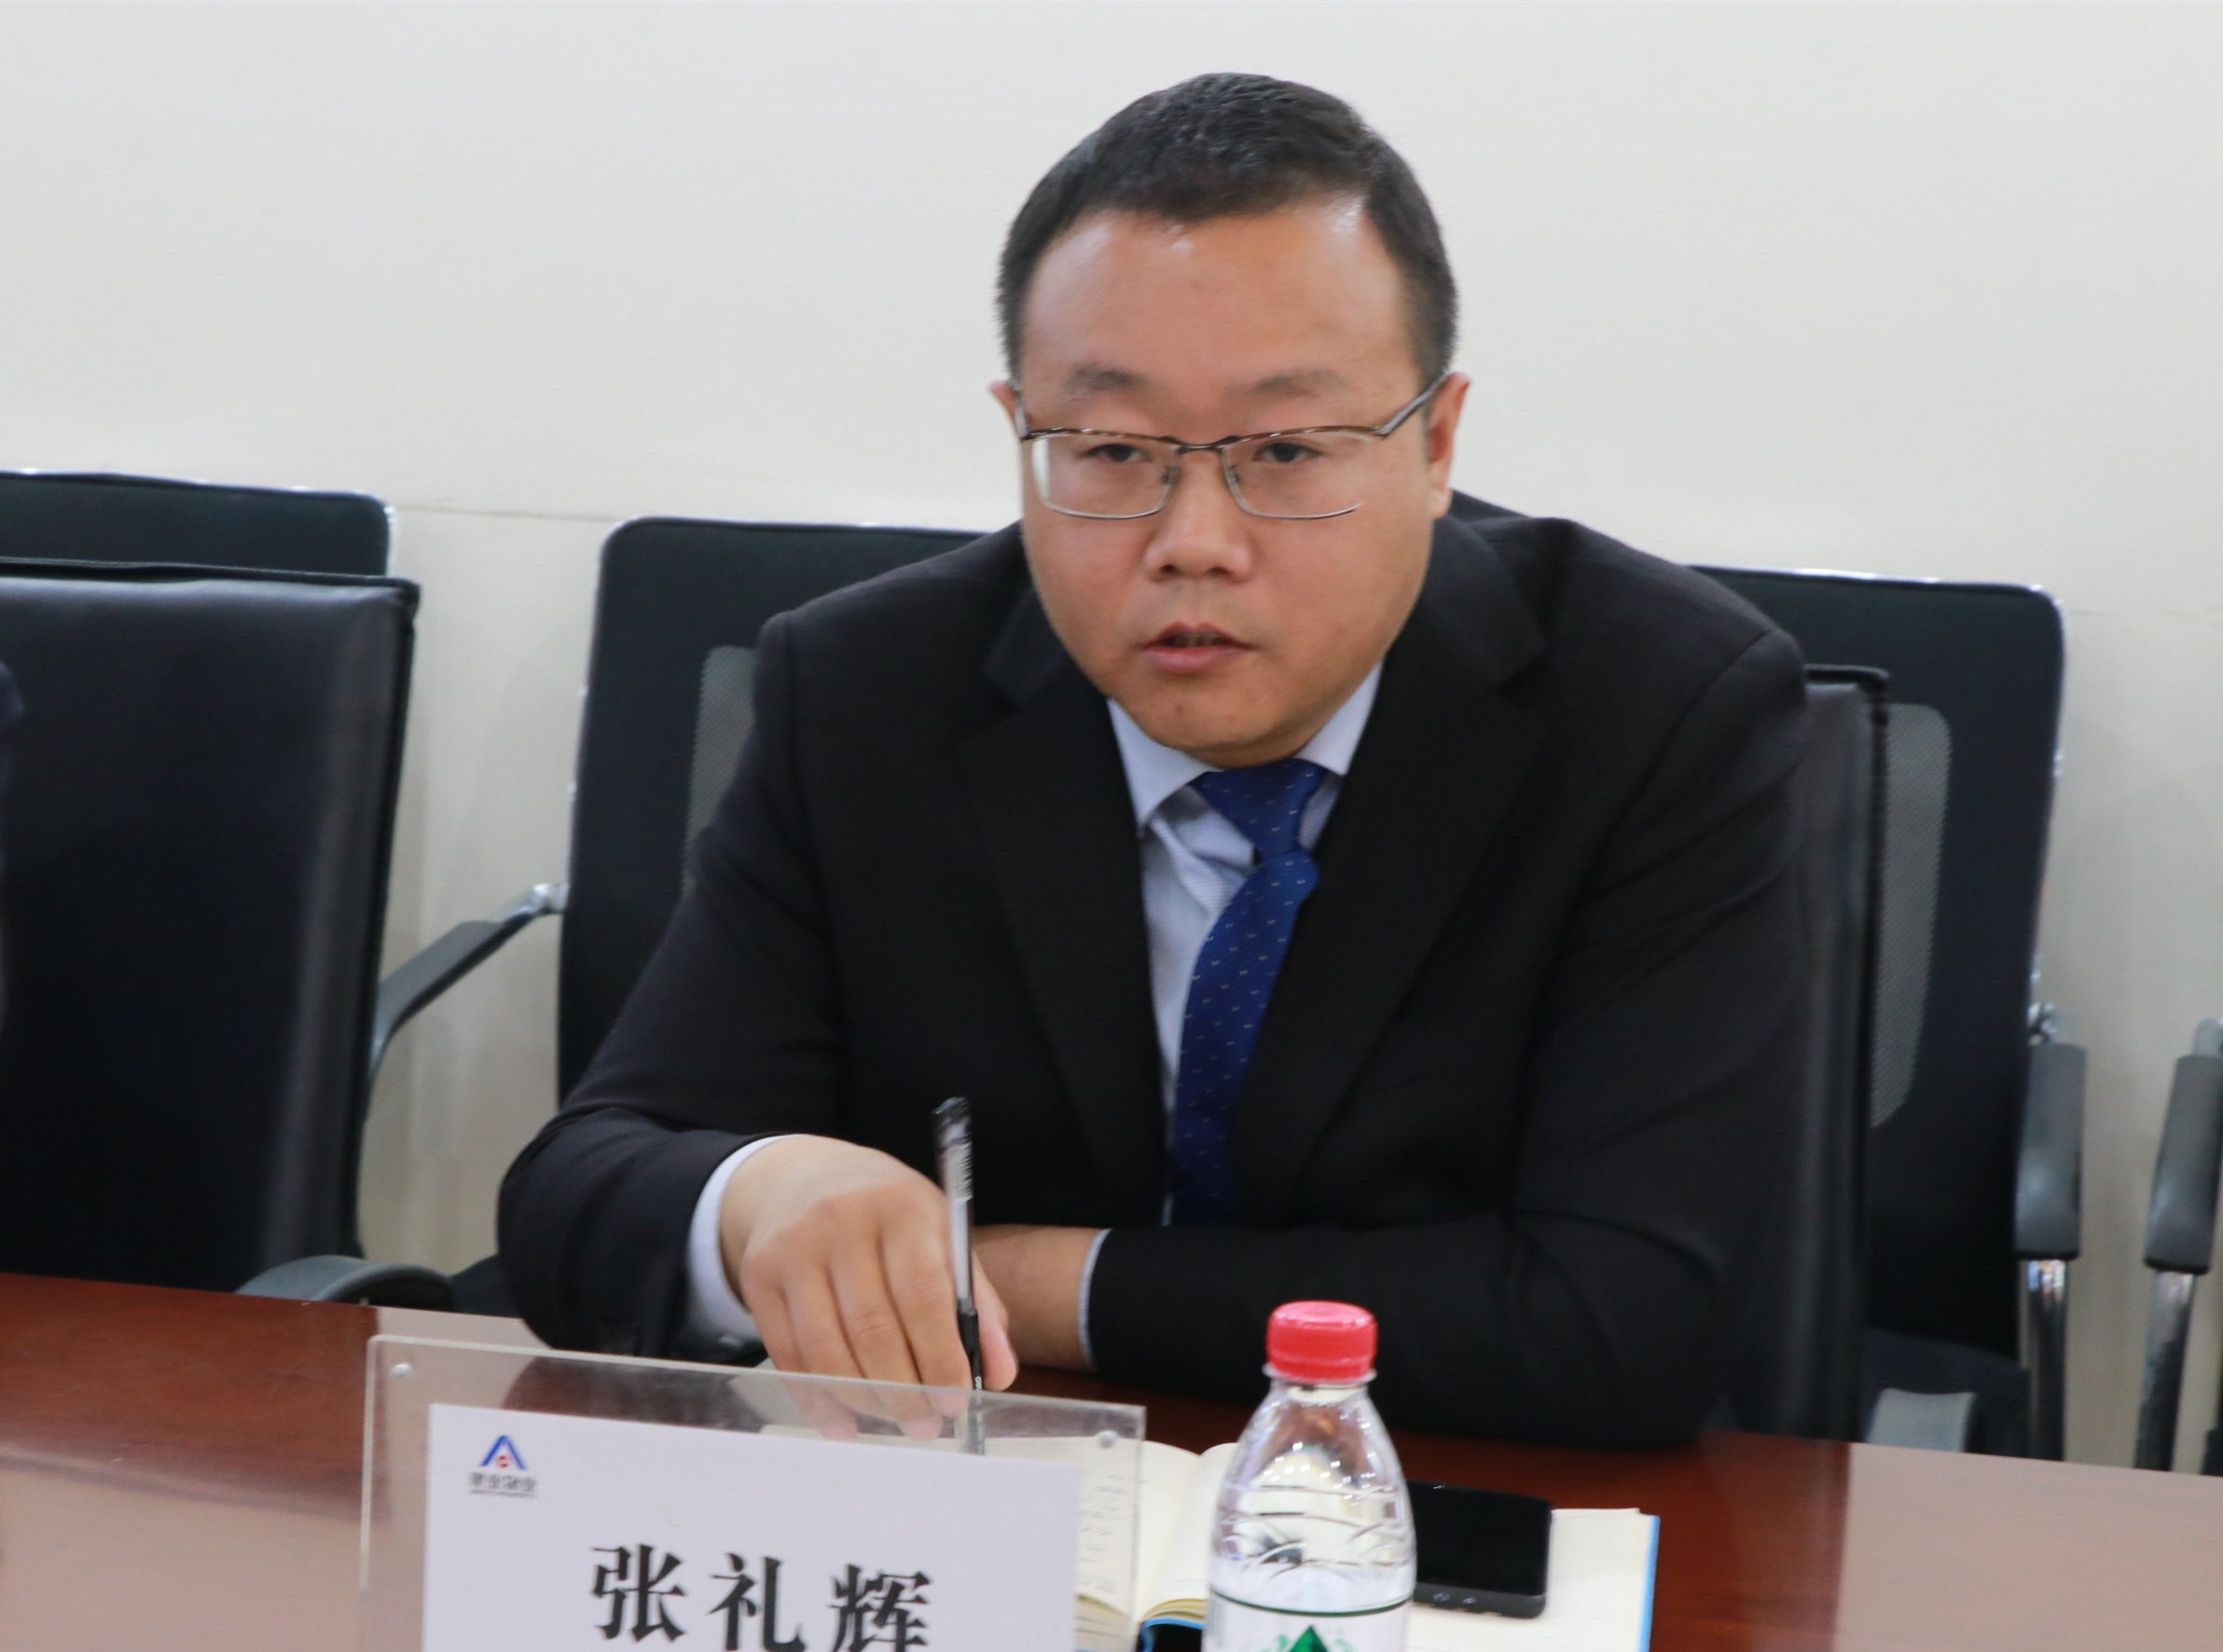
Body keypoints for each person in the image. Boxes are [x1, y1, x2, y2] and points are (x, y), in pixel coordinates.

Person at [500, 73, 1807, 1445]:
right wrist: (762, 1200)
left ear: (1435, 443)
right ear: (1023, 433)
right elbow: (578, 1195)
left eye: (1287, 450)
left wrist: (1018, 1281)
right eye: (1114, 450)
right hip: (984, 1500)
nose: (1195, 541)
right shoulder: (869, 694)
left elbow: (1622, 1321)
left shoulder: (1655, 710)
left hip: (1455, 1502)